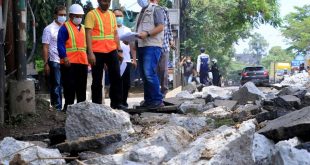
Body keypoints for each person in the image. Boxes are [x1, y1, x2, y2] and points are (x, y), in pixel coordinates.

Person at [85, 0, 126, 110]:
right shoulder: (91, 14)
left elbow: (115, 34)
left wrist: (119, 50)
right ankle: (97, 105)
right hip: (97, 52)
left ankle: (117, 104)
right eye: (104, 1)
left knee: (116, 77)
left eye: (108, 1)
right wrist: (90, 53)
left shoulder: (112, 15)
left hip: (111, 50)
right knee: (97, 80)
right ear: (98, 1)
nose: (106, 3)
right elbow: (88, 34)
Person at [57, 4, 88, 111]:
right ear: (70, 16)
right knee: (69, 87)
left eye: (80, 16)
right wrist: (64, 57)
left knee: (81, 87)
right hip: (69, 62)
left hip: (82, 62)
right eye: (76, 16)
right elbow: (60, 43)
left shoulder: (84, 28)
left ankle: (81, 109)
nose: (79, 18)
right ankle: (68, 108)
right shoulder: (65, 27)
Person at [136, 0, 165, 109]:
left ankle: (157, 100)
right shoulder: (141, 12)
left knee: (149, 73)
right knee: (144, 75)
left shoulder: (156, 9)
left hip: (152, 45)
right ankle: (149, 100)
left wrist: (147, 34)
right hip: (141, 45)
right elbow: (139, 30)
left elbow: (161, 27)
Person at [42, 5, 66, 111]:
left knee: (65, 85)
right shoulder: (49, 29)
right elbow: (45, 47)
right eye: (61, 15)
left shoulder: (66, 27)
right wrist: (46, 63)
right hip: (54, 60)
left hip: (66, 60)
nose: (63, 17)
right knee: (56, 85)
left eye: (65, 15)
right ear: (55, 15)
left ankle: (64, 107)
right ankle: (57, 108)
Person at [113, 9, 137, 107]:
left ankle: (124, 102)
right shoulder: (111, 29)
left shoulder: (127, 30)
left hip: (126, 60)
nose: (119, 18)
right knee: (116, 83)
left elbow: (132, 46)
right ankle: (115, 103)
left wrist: (134, 59)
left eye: (120, 16)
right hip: (114, 60)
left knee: (126, 84)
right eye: (116, 16)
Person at [156, 3, 175, 96]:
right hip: (153, 45)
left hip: (164, 45)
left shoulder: (164, 10)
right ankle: (155, 92)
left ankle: (164, 92)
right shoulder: (147, 10)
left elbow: (168, 27)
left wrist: (171, 40)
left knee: (164, 71)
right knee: (153, 70)